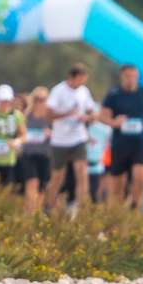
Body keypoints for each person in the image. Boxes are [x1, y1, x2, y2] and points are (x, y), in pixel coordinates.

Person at [101, 64, 143, 209]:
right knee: (117, 185)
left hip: (140, 144)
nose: (131, 80)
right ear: (121, 77)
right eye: (128, 76)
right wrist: (114, 122)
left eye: (134, 76)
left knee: (141, 174)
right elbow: (103, 116)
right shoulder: (113, 95)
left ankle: (135, 203)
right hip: (120, 145)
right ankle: (116, 215)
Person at [46, 64, 98, 210]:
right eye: (79, 80)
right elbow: (49, 114)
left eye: (84, 81)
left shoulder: (84, 91)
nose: (81, 84)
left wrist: (88, 117)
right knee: (57, 177)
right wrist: (68, 113)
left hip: (79, 138)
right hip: (60, 140)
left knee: (82, 172)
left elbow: (92, 112)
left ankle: (82, 209)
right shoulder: (58, 91)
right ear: (71, 77)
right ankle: (48, 206)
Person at [19, 87, 52, 212]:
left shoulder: (50, 117)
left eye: (42, 99)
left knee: (43, 187)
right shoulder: (26, 116)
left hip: (45, 155)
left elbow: (60, 135)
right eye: (37, 99)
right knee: (32, 182)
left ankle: (38, 213)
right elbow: (20, 133)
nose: (39, 102)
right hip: (29, 154)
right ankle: (29, 212)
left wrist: (51, 134)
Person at [86, 111, 112, 203]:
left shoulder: (104, 129)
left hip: (97, 167)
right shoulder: (80, 127)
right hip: (81, 167)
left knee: (95, 196)